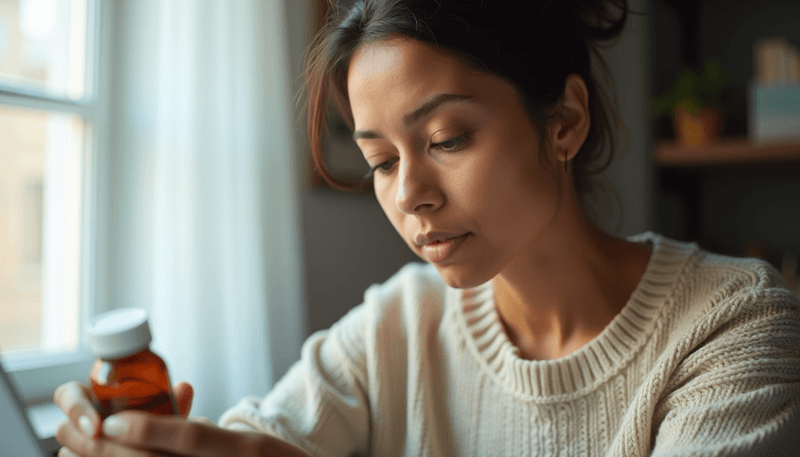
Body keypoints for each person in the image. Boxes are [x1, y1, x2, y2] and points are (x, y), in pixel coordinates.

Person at [54, 0, 800, 455]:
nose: (410, 194)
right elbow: (266, 433)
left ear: (565, 121)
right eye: (381, 161)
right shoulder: (402, 322)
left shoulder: (735, 325)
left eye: (446, 139)